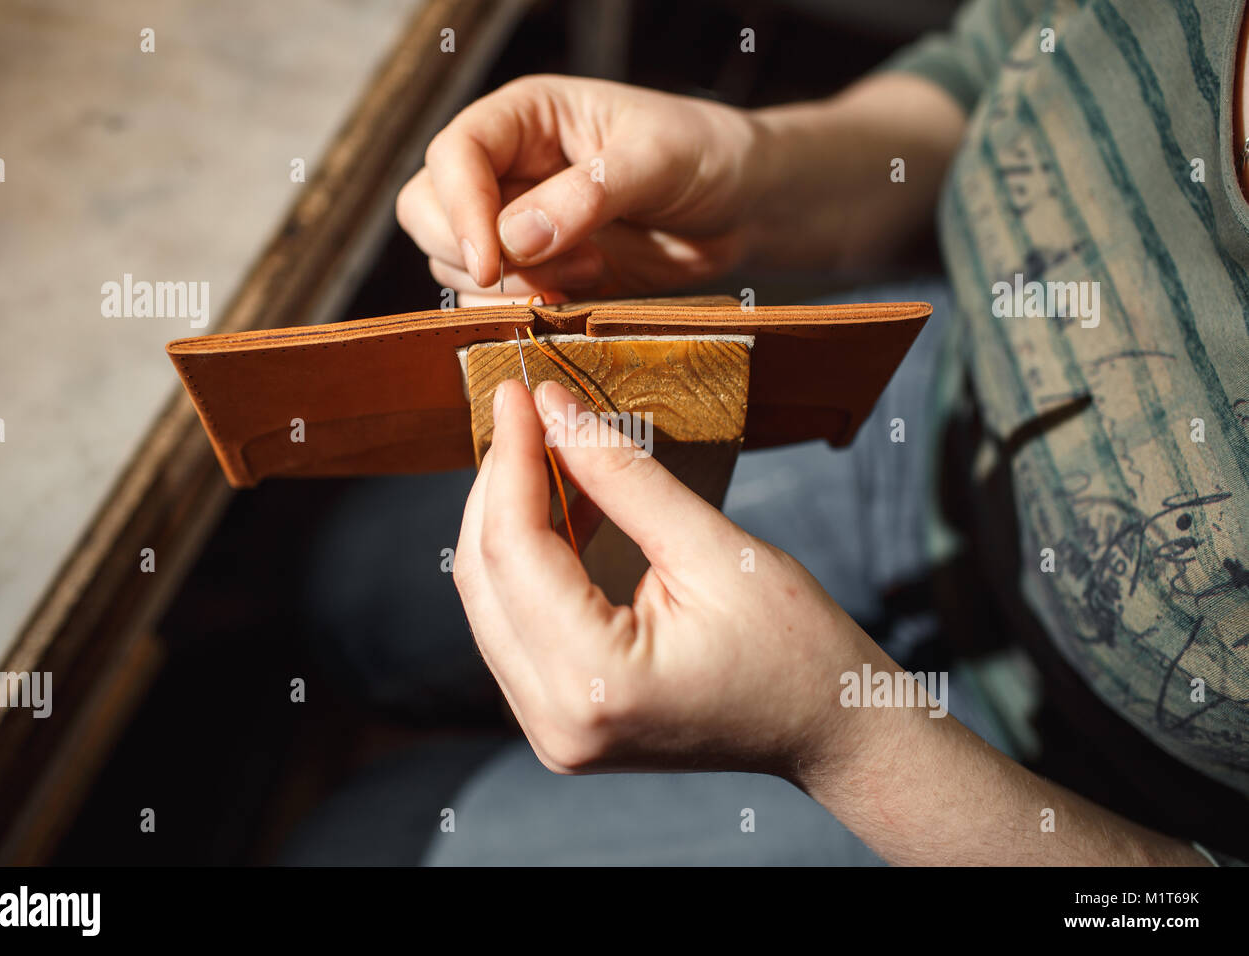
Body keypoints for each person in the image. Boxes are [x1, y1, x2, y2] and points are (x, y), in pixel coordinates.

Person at [386, 0, 1249, 865]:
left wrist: (844, 743)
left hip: (1073, 801)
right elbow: (1005, 57)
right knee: (367, 595)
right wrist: (755, 172)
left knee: (400, 841)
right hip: (936, 409)